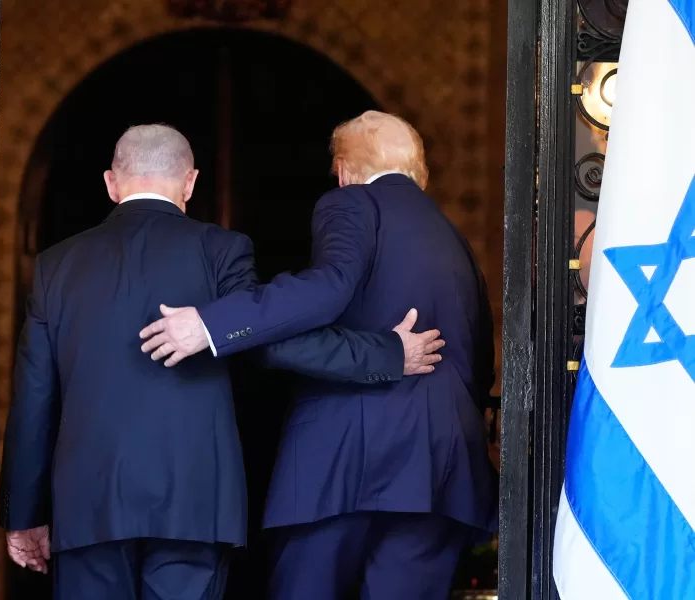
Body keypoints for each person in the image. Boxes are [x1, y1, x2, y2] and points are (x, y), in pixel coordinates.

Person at [0, 124, 445, 600]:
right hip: (195, 506)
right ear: (190, 182)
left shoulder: (55, 266)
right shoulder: (222, 250)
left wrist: (23, 516)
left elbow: (33, 400)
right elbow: (274, 343)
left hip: (87, 508)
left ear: (111, 183)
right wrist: (387, 353)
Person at [140, 112, 498, 599]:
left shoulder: (352, 203)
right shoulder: (456, 239)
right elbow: (480, 359)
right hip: (442, 471)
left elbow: (328, 289)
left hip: (343, 465)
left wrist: (212, 324)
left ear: (345, 170)